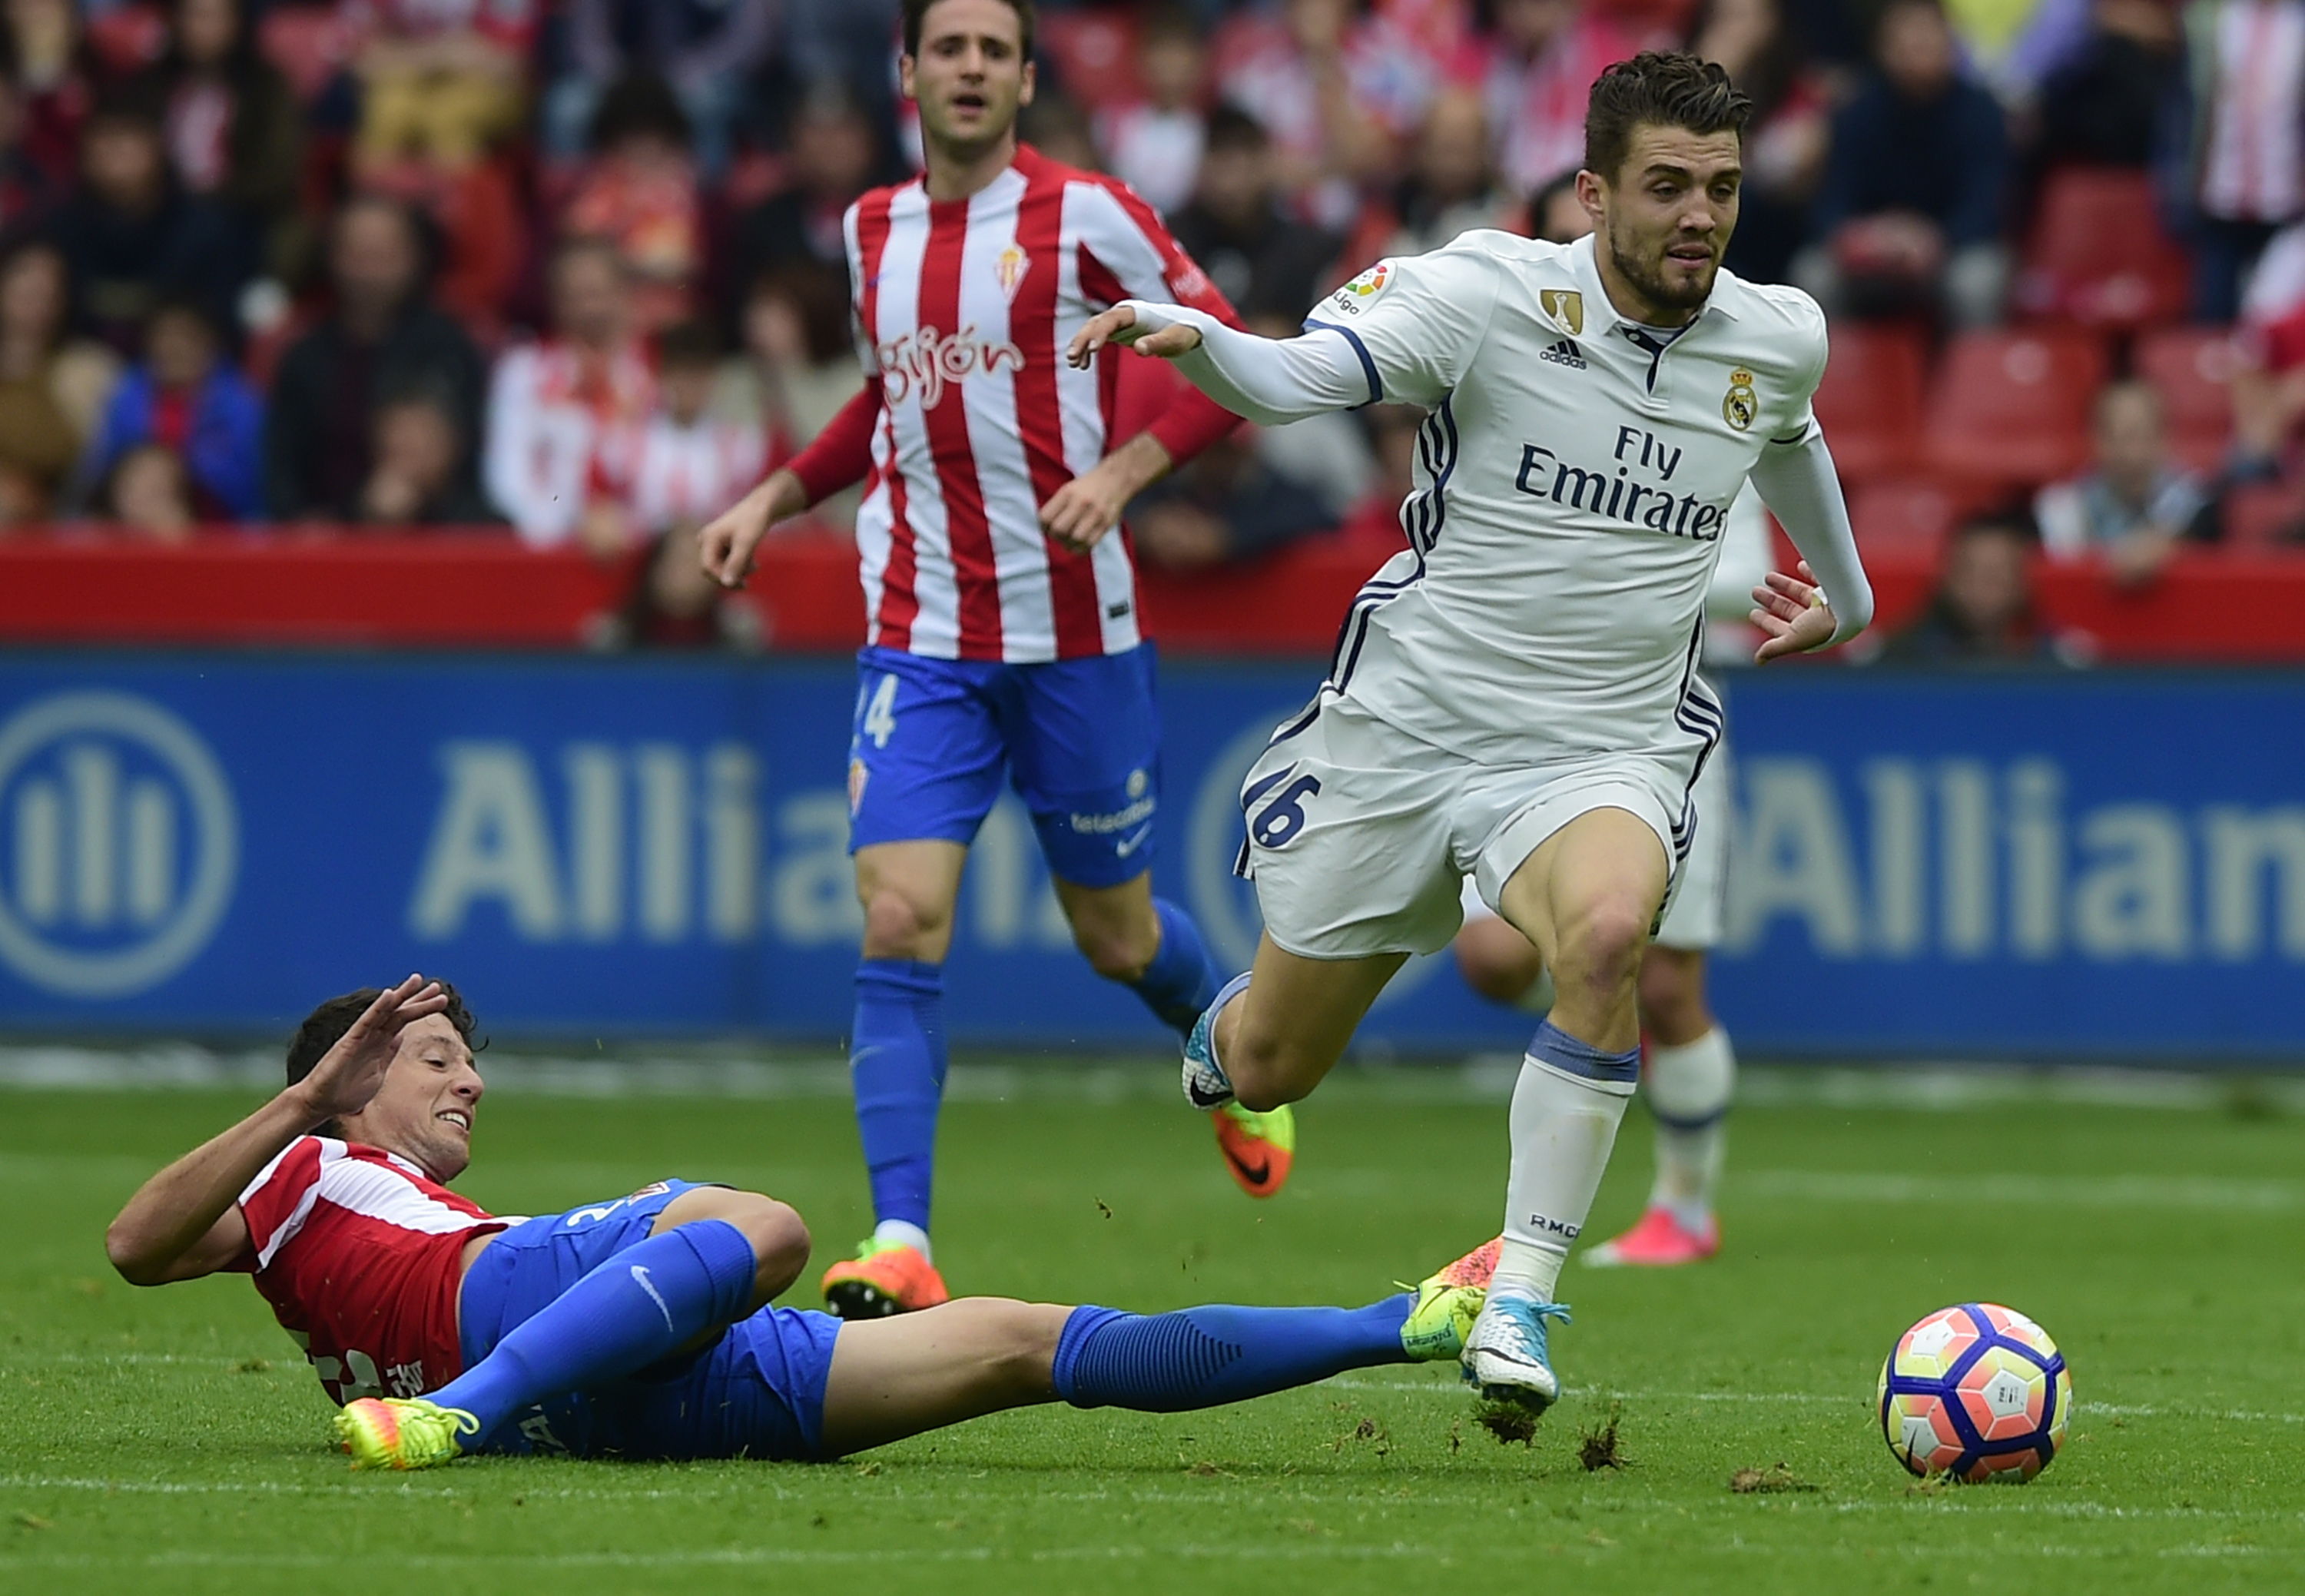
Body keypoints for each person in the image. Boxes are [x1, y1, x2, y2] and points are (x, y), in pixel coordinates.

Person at [1066, 50, 1873, 1424]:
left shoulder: (1773, 328)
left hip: (1604, 740)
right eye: (1668, 186)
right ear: (1595, 190)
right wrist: (1208, 347)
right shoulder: (1484, 292)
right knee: (1273, 1063)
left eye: (1722, 190)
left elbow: (1787, 432)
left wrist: (1844, 598)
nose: (1700, 216)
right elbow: (1307, 376)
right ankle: (1224, 1035)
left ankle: (1515, 1300)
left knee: (1611, 937)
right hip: (1414, 726)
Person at [697, 0, 1271, 1321]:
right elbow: (882, 400)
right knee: (899, 915)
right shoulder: (867, 232)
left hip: (1076, 634)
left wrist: (1125, 470)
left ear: (1023, 77)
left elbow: (1227, 351)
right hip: (921, 634)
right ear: (906, 72)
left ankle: (1231, 1053)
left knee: (1115, 935)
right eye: (944, 48)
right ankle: (901, 1235)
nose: (967, 69)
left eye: (991, 51)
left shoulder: (1091, 215)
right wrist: (773, 496)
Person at [103, 977, 1491, 1472]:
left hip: (601, 1392)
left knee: (1015, 1339)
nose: (471, 1075)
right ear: (351, 1074)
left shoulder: (413, 1202)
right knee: (762, 1220)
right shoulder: (297, 1176)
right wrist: (300, 1102)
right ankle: (465, 1415)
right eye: (434, 1057)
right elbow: (133, 1244)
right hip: (492, 1316)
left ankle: (1402, 1321)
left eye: (469, 1054)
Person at [264, 195, 491, 523]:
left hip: (433, 536)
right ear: (332, 257)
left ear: (416, 257)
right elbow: (283, 468)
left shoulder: (449, 348)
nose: (370, 269)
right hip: (324, 545)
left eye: (384, 254)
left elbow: (467, 466)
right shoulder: (303, 358)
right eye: (358, 254)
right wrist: (304, 522)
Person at [1795, 0, 2010, 328]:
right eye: (1907, 43)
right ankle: (1829, 377)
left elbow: (1988, 207)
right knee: (1813, 275)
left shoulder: (1983, 113)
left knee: (1977, 282)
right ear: (1883, 49)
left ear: (1951, 47)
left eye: (1928, 42)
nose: (1918, 53)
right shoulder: (1856, 112)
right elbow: (1831, 201)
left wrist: (1934, 240)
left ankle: (1974, 378)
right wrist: (1861, 237)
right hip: (1871, 248)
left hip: (1952, 248)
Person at [484, 238, 658, 547]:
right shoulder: (523, 372)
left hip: (645, 550)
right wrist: (571, 523)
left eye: (596, 294)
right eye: (572, 297)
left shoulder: (657, 373)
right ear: (555, 302)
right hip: (550, 550)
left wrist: (629, 528)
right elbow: (507, 477)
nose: (587, 309)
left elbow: (677, 469)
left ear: (626, 295)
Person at [78, 294, 264, 523]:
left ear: (210, 342)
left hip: (217, 531)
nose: (173, 346)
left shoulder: (242, 405)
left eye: (185, 336)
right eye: (164, 335)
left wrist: (175, 477)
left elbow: (256, 495)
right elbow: (98, 474)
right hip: (129, 527)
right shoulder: (125, 395)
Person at [2034, 380, 2211, 586]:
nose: (2132, 450)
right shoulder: (2061, 509)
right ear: (2095, 439)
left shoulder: (2201, 503)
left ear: (2165, 436)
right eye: (2119, 435)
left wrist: (2172, 545)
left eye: (2143, 433)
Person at [1881, 513, 2061, 663]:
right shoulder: (1898, 657)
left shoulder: (2058, 659)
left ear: (2023, 582)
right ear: (1946, 576)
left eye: (1996, 576)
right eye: (1968, 572)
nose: (1980, 587)